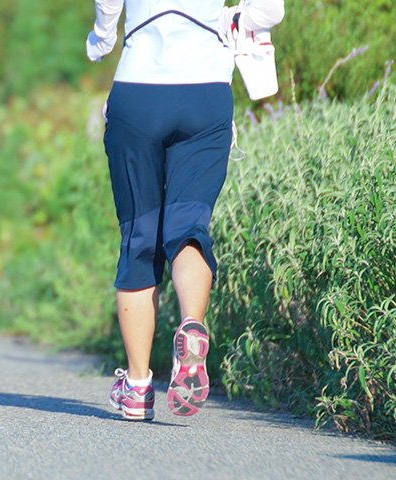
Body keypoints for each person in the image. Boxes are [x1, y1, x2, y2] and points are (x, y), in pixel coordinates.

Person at [86, 0, 285, 420]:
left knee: (139, 237)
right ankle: (191, 324)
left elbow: (108, 5)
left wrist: (101, 39)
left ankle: (138, 387)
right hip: (206, 92)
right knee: (189, 226)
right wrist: (234, 22)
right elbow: (270, 10)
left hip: (139, 89)